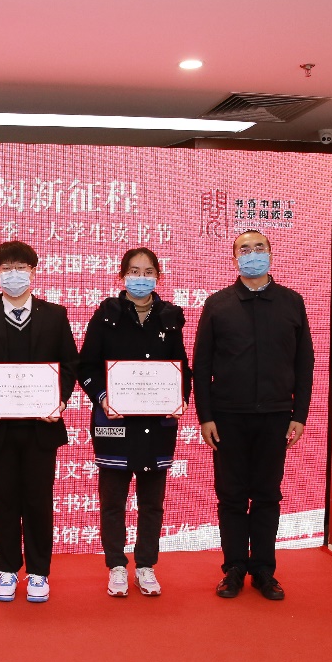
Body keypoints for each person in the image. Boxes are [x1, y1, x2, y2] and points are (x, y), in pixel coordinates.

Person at [193, 229, 314, 601]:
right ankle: (233, 569)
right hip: (227, 417)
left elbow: (305, 363)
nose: (252, 254)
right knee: (231, 497)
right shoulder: (218, 304)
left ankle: (263, 570)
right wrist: (205, 416)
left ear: (271, 254)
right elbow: (201, 365)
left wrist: (299, 414)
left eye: (259, 247)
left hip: (276, 416)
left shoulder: (292, 302)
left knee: (266, 496)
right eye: (244, 249)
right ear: (234, 259)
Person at [0, 240, 77, 603]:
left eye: (21, 268)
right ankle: (7, 570)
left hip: (42, 427)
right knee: (4, 501)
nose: (14, 275)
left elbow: (69, 364)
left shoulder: (55, 315)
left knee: (39, 501)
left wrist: (59, 401)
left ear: (33, 272)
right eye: (6, 268)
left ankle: (39, 572)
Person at [77, 247, 190, 599]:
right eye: (135, 271)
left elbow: (182, 367)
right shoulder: (106, 315)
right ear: (122, 275)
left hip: (157, 425)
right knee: (113, 501)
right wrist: (102, 397)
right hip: (114, 422)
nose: (141, 278)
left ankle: (145, 565)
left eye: (148, 271)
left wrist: (181, 399)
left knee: (152, 503)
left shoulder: (170, 317)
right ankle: (115, 565)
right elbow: (86, 366)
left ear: (158, 276)